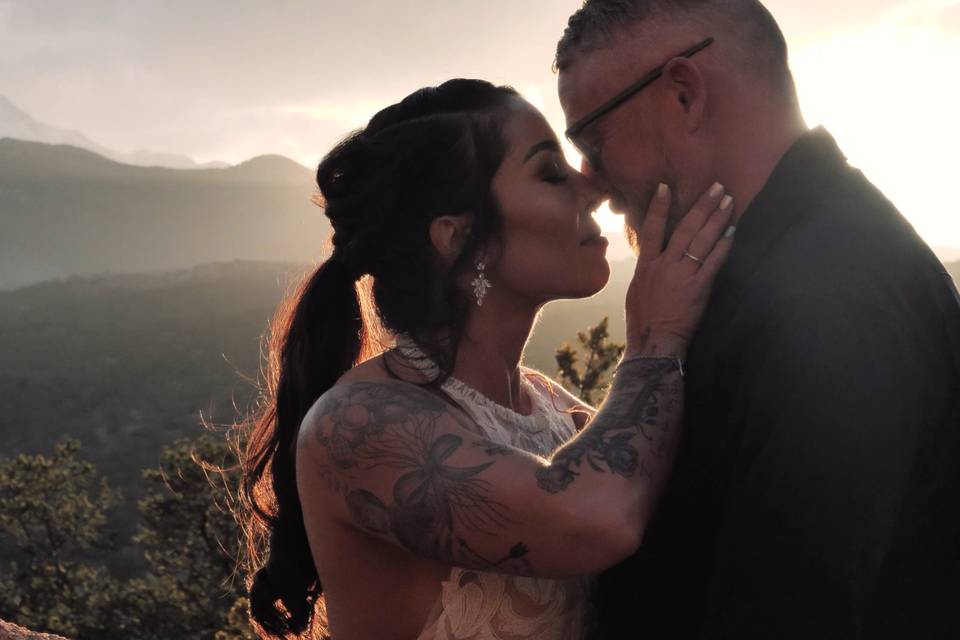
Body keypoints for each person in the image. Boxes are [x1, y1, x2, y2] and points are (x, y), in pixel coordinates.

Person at [239, 78, 736, 640]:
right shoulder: (356, 426)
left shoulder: (549, 407)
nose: (593, 187)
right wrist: (655, 338)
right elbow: (601, 520)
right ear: (457, 237)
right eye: (551, 172)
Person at [555, 1, 960, 638]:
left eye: (591, 143)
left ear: (685, 94)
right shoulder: (787, 262)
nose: (593, 183)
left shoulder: (829, 303)